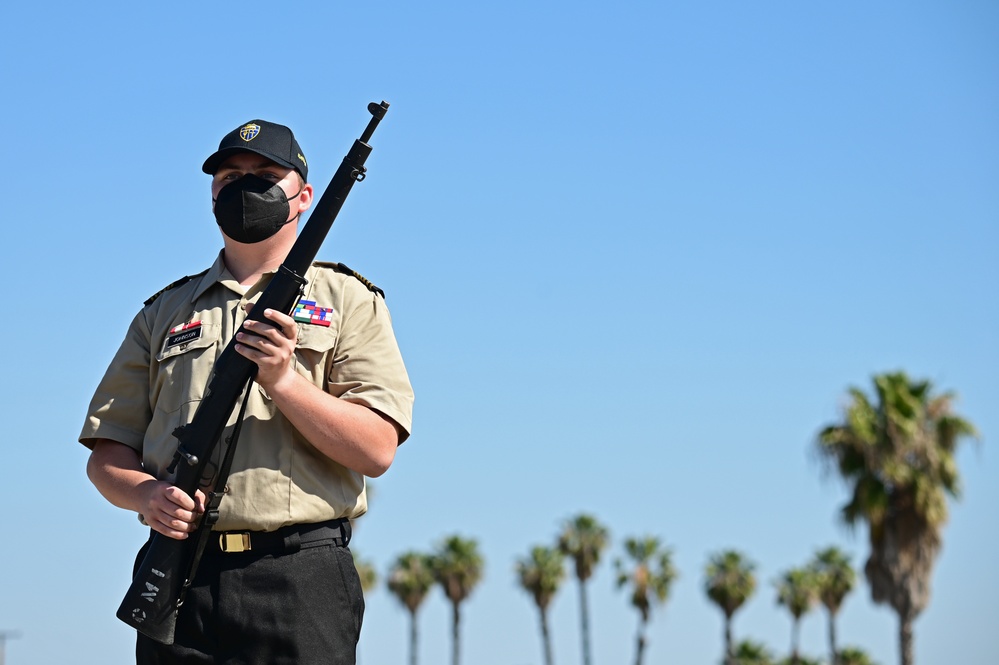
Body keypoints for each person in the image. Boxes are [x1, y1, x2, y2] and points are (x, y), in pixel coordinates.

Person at [80, 118, 414, 664]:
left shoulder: (349, 300)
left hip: (298, 580)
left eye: (264, 174)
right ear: (212, 191)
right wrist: (145, 496)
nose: (244, 185)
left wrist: (284, 381)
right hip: (182, 574)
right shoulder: (164, 312)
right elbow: (108, 451)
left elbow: (376, 449)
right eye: (231, 174)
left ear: (304, 196)